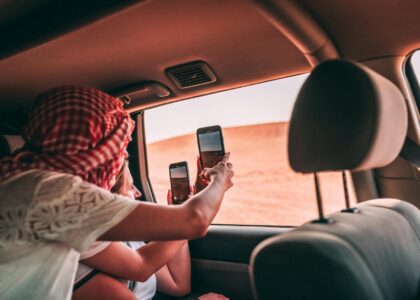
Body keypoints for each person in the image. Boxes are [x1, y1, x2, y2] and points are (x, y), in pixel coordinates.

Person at [0, 86, 234, 300]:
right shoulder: (48, 192)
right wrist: (219, 179)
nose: (114, 165)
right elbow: (195, 220)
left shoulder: (24, 184)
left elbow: (142, 265)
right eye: (115, 152)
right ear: (94, 152)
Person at [73, 159, 228, 300]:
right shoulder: (79, 248)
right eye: (130, 186)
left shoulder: (129, 241)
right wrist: (219, 180)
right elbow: (141, 267)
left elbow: (178, 285)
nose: (138, 193)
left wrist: (180, 217)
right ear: (111, 199)